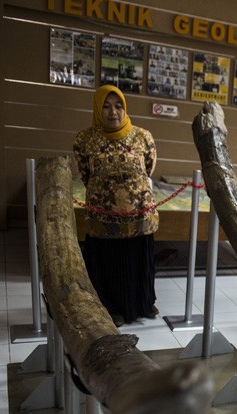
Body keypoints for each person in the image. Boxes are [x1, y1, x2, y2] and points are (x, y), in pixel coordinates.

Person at [73, 85, 159, 327]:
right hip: (104, 219)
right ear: (98, 109)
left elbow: (149, 168)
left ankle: (142, 303)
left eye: (118, 105)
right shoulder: (84, 139)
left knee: (138, 259)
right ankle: (109, 307)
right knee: (107, 262)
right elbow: (85, 173)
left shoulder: (143, 137)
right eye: (106, 106)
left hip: (139, 217)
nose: (113, 112)